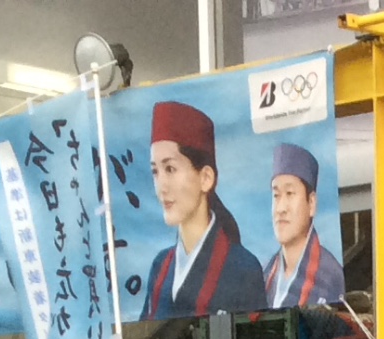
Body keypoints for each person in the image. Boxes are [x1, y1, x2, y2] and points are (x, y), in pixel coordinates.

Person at [140, 101, 267, 320]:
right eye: (155, 172)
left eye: (170, 169)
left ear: (206, 178)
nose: (161, 187)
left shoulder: (243, 268)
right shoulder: (160, 266)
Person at [262, 143, 343, 309]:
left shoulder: (330, 277)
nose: (281, 208)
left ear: (311, 203)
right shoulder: (266, 275)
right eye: (276, 195)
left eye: (290, 194)